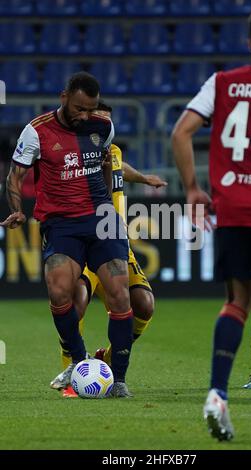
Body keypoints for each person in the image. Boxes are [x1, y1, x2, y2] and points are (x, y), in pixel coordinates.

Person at [172, 7, 251, 441]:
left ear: (249, 43)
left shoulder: (222, 82)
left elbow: (180, 132)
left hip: (232, 208)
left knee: (236, 301)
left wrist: (192, 189)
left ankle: (217, 394)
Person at [1, 72, 134, 398]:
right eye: (79, 108)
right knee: (59, 290)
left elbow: (107, 166)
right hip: (61, 222)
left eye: (90, 109)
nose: (85, 116)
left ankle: (118, 379)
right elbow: (14, 177)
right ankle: (78, 360)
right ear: (64, 98)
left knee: (120, 293)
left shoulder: (102, 127)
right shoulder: (37, 131)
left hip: (102, 218)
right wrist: (17, 208)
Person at [57, 108, 167, 397]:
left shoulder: (113, 151)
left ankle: (107, 363)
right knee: (76, 300)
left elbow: (121, 169)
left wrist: (143, 179)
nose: (103, 125)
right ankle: (73, 374)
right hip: (86, 243)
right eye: (97, 117)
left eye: (107, 120)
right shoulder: (76, 154)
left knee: (144, 304)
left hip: (117, 245)